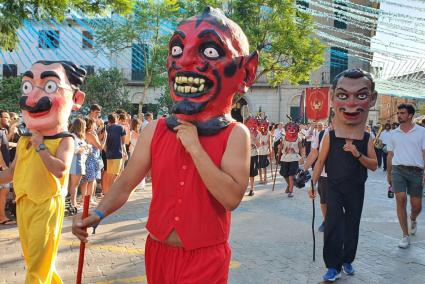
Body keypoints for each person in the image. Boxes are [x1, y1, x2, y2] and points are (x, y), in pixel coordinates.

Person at [72, 7, 258, 283]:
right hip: (157, 251)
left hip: (205, 258)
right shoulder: (156, 129)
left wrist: (195, 147)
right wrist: (98, 214)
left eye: (209, 51)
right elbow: (125, 183)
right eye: (177, 51)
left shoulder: (236, 134)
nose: (184, 61)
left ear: (246, 72)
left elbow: (231, 199)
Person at [0, 60, 86, 283]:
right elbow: (12, 172)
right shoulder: (23, 140)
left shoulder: (64, 140)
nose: (31, 99)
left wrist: (40, 147)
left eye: (49, 86)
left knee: (38, 264)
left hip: (46, 206)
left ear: (76, 100)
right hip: (23, 203)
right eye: (27, 87)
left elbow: (61, 169)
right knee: (37, 261)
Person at [310, 68, 378, 282]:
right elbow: (320, 161)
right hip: (334, 187)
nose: (350, 103)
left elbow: (374, 165)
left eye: (361, 95)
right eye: (342, 95)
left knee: (352, 225)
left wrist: (357, 154)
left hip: (356, 186)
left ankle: (347, 259)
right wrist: (312, 185)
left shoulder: (366, 138)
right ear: (333, 99)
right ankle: (332, 266)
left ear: (371, 99)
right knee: (332, 224)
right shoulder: (329, 135)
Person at [386, 103, 425, 249]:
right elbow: (390, 155)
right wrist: (389, 173)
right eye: (398, 113)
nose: (399, 115)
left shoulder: (422, 132)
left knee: (417, 205)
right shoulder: (393, 134)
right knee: (400, 199)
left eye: (402, 113)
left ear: (410, 116)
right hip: (398, 170)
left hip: (416, 171)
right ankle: (405, 235)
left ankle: (413, 218)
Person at [304, 124, 329, 232]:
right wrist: (303, 169)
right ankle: (326, 220)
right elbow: (314, 153)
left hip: (340, 177)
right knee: (323, 200)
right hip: (323, 174)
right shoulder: (322, 134)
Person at [68, 118, 88, 214]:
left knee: (74, 185)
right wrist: (83, 147)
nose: (86, 127)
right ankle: (73, 204)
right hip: (75, 162)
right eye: (84, 126)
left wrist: (86, 148)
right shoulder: (72, 136)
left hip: (81, 162)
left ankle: (73, 203)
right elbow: (74, 150)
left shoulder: (79, 137)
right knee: (74, 185)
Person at [103, 113, 126, 194]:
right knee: (115, 174)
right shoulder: (121, 127)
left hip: (109, 154)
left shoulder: (107, 128)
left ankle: (108, 191)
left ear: (109, 120)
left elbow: (104, 141)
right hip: (117, 153)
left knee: (110, 174)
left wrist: (106, 150)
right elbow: (123, 142)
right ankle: (111, 192)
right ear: (116, 119)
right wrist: (124, 152)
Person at [279, 121, 303, 198]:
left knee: (291, 175)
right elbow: (281, 146)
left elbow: (301, 148)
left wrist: (302, 157)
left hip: (294, 158)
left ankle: (291, 191)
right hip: (285, 158)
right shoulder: (283, 137)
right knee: (284, 173)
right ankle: (289, 185)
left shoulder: (298, 138)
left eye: (294, 128)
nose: (291, 129)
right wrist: (280, 148)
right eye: (289, 127)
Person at [0, 110, 12, 225]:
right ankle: (2, 217)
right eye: (6, 117)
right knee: (4, 190)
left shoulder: (3, 131)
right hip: (2, 167)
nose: (8, 119)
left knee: (4, 190)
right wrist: (3, 164)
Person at [246, 117, 260, 196]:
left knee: (251, 173)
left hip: (253, 154)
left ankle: (252, 189)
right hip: (245, 155)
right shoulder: (244, 131)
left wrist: (253, 137)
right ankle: (244, 187)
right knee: (244, 173)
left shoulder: (258, 133)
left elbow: (259, 145)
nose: (251, 125)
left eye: (253, 123)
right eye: (250, 123)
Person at [258, 118, 271, 184]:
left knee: (264, 165)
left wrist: (266, 144)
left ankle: (265, 178)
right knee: (259, 166)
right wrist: (259, 143)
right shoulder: (258, 132)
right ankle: (260, 179)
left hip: (265, 150)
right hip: (258, 151)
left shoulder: (268, 133)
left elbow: (269, 142)